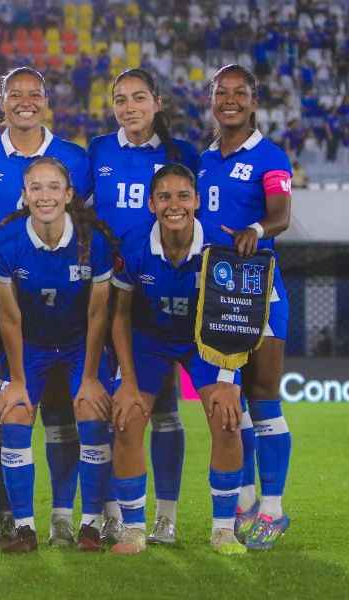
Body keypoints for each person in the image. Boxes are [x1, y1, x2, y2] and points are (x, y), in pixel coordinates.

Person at [0, 66, 94, 546]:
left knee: (65, 416)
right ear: (1, 101)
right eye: (14, 93)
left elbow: (82, 224)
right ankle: (11, 521)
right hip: (5, 307)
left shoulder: (76, 159)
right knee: (7, 415)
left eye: (33, 93)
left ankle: (67, 517)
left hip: (67, 314)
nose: (24, 101)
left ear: (46, 100)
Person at [87, 68, 199, 544]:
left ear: (157, 102)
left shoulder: (183, 156)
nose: (128, 107)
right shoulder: (98, 151)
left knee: (165, 408)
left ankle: (165, 517)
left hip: (162, 292)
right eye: (119, 99)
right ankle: (113, 512)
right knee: (118, 405)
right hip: (111, 290)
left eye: (138, 97)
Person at [109, 163, 246, 555]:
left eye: (183, 196)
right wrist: (129, 383)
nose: (175, 205)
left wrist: (226, 377)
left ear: (197, 201)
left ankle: (223, 530)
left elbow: (234, 318)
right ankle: (134, 529)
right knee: (126, 419)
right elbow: (119, 316)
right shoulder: (133, 246)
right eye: (165, 197)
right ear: (151, 203)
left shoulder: (219, 249)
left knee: (227, 419)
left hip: (205, 342)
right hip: (148, 341)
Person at [0, 157, 117, 553]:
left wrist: (91, 377)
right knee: (15, 414)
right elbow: (9, 317)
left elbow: (98, 315)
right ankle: (24, 530)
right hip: (29, 346)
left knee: (93, 413)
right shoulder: (5, 243)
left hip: (79, 345)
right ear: (24, 196)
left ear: (69, 194)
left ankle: (91, 525)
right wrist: (19, 381)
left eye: (53, 187)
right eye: (36, 188)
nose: (45, 196)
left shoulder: (94, 241)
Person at [198, 64, 293, 550]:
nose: (229, 100)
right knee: (233, 408)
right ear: (211, 98)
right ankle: (245, 500)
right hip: (216, 297)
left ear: (253, 101)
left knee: (263, 397)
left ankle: (273, 509)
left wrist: (258, 229)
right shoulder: (204, 159)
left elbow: (282, 216)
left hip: (261, 291)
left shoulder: (270, 157)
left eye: (239, 93)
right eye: (221, 92)